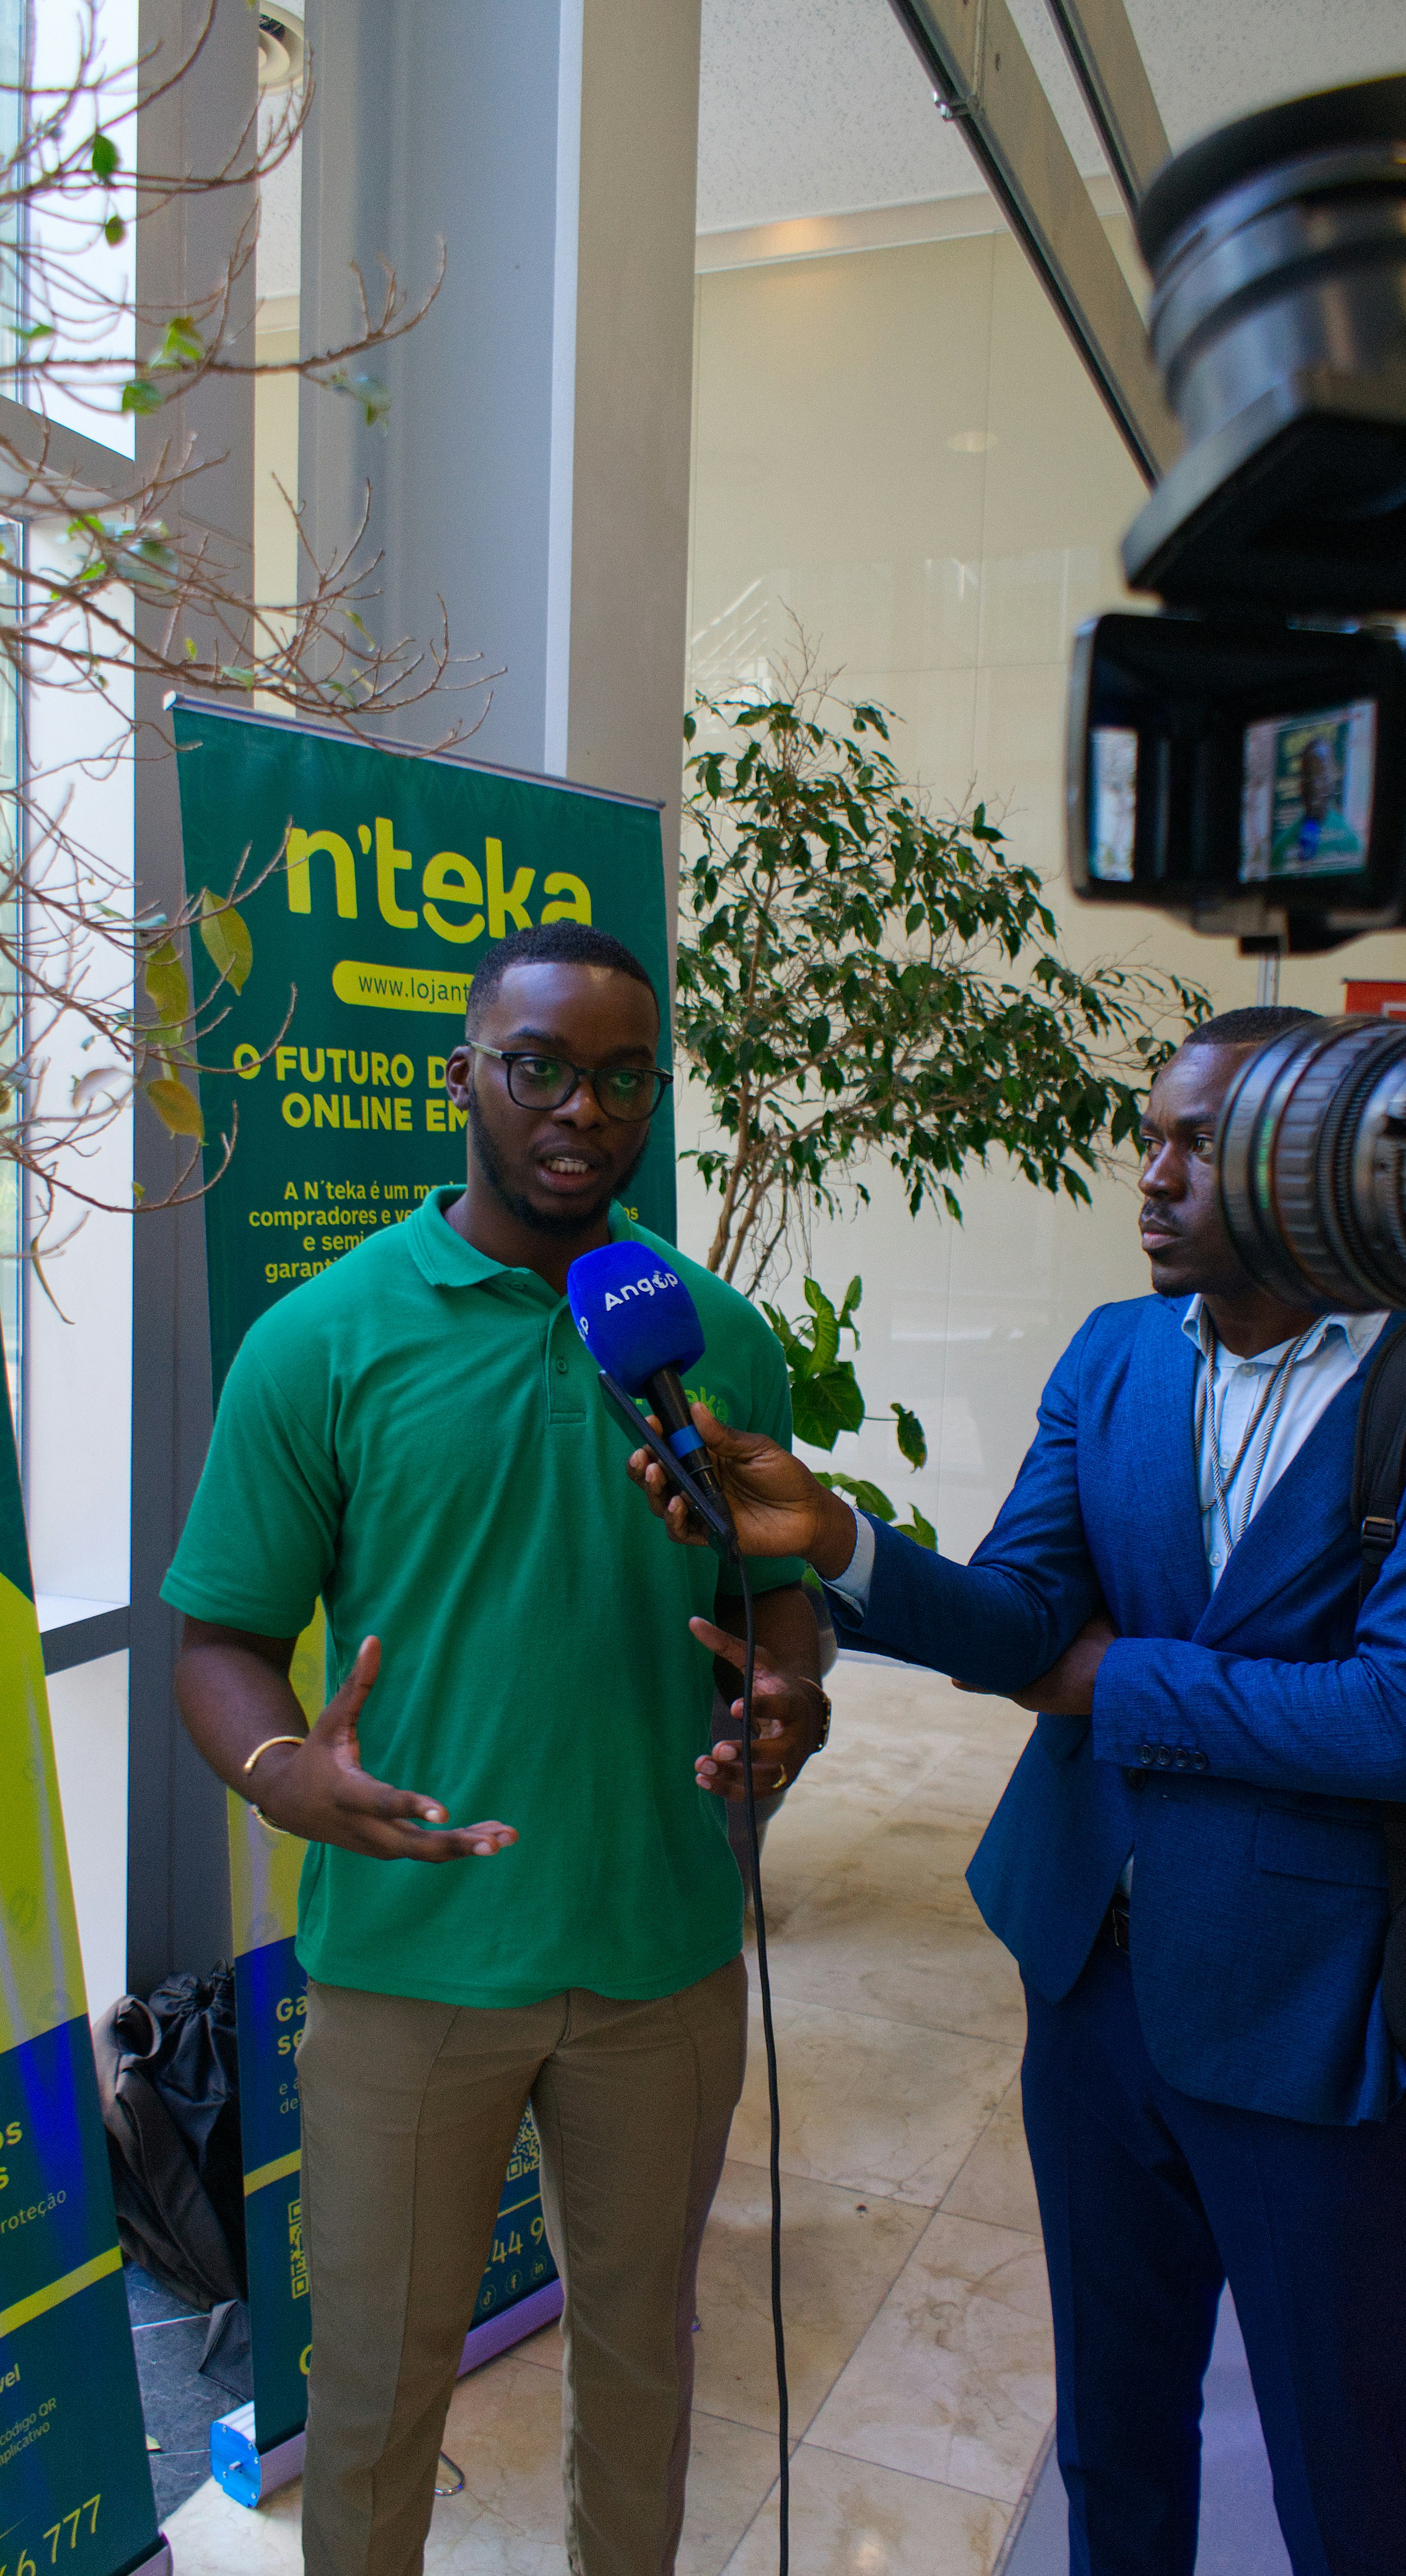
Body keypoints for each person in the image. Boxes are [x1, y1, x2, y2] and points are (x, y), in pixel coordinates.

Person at [629, 1005, 1406, 2576]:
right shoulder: (1115, 1356)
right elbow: (1017, 1615)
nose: (1150, 1176)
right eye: (1149, 1134)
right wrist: (839, 1542)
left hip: (1310, 2022)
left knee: (1342, 2475)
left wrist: (1106, 1682)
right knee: (1112, 2443)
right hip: (1089, 1990)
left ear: (1322, 1164)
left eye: (1196, 1144)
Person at [166, 922, 831, 2576]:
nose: (580, 1113)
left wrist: (789, 1696)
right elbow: (221, 1644)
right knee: (376, 2391)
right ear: (462, 1075)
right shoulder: (319, 1339)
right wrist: (281, 1778)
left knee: (642, 2360)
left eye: (620, 1080)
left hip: (661, 1957)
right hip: (407, 1970)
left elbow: (781, 1581)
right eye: (538, 1067)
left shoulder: (709, 1336)